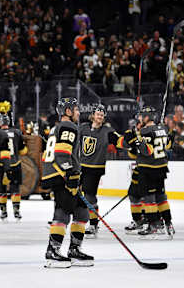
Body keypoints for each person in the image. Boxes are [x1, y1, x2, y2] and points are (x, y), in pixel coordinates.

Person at [41, 98, 93, 268]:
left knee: (82, 213)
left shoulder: (58, 127)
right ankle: (53, 251)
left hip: (62, 174)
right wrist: (70, 175)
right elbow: (62, 154)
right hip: (62, 174)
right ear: (68, 112)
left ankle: (74, 250)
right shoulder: (68, 126)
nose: (79, 112)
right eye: (76, 109)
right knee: (63, 212)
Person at [126, 107, 175, 238]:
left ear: (147, 117)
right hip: (161, 167)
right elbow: (169, 146)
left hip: (148, 168)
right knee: (161, 197)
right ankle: (168, 223)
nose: (140, 118)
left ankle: (153, 225)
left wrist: (136, 139)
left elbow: (147, 151)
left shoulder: (145, 131)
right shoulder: (163, 129)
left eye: (142, 116)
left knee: (148, 198)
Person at [79, 104, 123, 238]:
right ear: (92, 115)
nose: (100, 117)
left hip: (95, 168)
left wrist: (131, 140)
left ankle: (93, 224)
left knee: (89, 195)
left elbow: (119, 141)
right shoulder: (83, 128)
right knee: (72, 193)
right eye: (98, 114)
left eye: (102, 115)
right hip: (80, 166)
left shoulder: (107, 131)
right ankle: (69, 218)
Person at [0, 114, 28, 222]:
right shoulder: (16, 132)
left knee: (1, 189)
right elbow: (23, 151)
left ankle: (3, 212)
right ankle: (16, 211)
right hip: (15, 164)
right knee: (15, 188)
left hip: (1, 165)